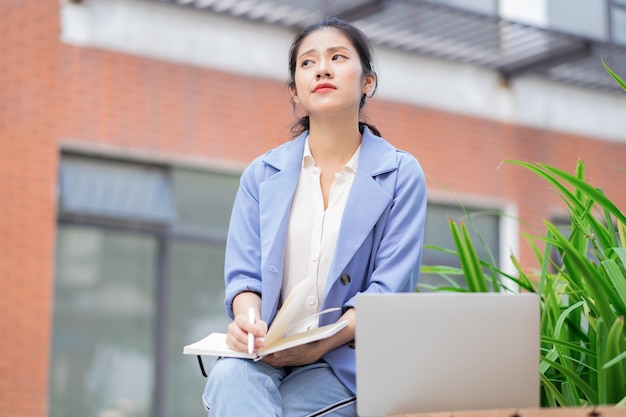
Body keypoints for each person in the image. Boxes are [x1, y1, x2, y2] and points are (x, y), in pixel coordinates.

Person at [201, 17, 427, 417]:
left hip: (347, 361)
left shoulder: (400, 174)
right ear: (295, 91)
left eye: (337, 57)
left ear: (367, 83)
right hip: (266, 354)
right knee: (227, 380)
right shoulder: (261, 174)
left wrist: (320, 344)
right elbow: (245, 278)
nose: (322, 68)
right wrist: (249, 324)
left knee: (284, 409)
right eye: (307, 63)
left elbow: (388, 293)